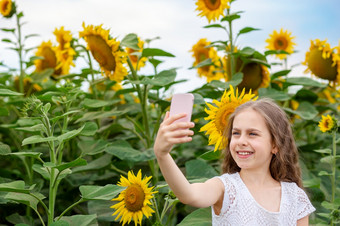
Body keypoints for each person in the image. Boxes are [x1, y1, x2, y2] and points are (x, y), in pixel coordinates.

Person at [154, 98, 315, 225]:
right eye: (236, 133)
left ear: (275, 145)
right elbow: (189, 195)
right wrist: (162, 154)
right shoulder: (226, 189)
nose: (241, 141)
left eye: (252, 134)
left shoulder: (295, 197)